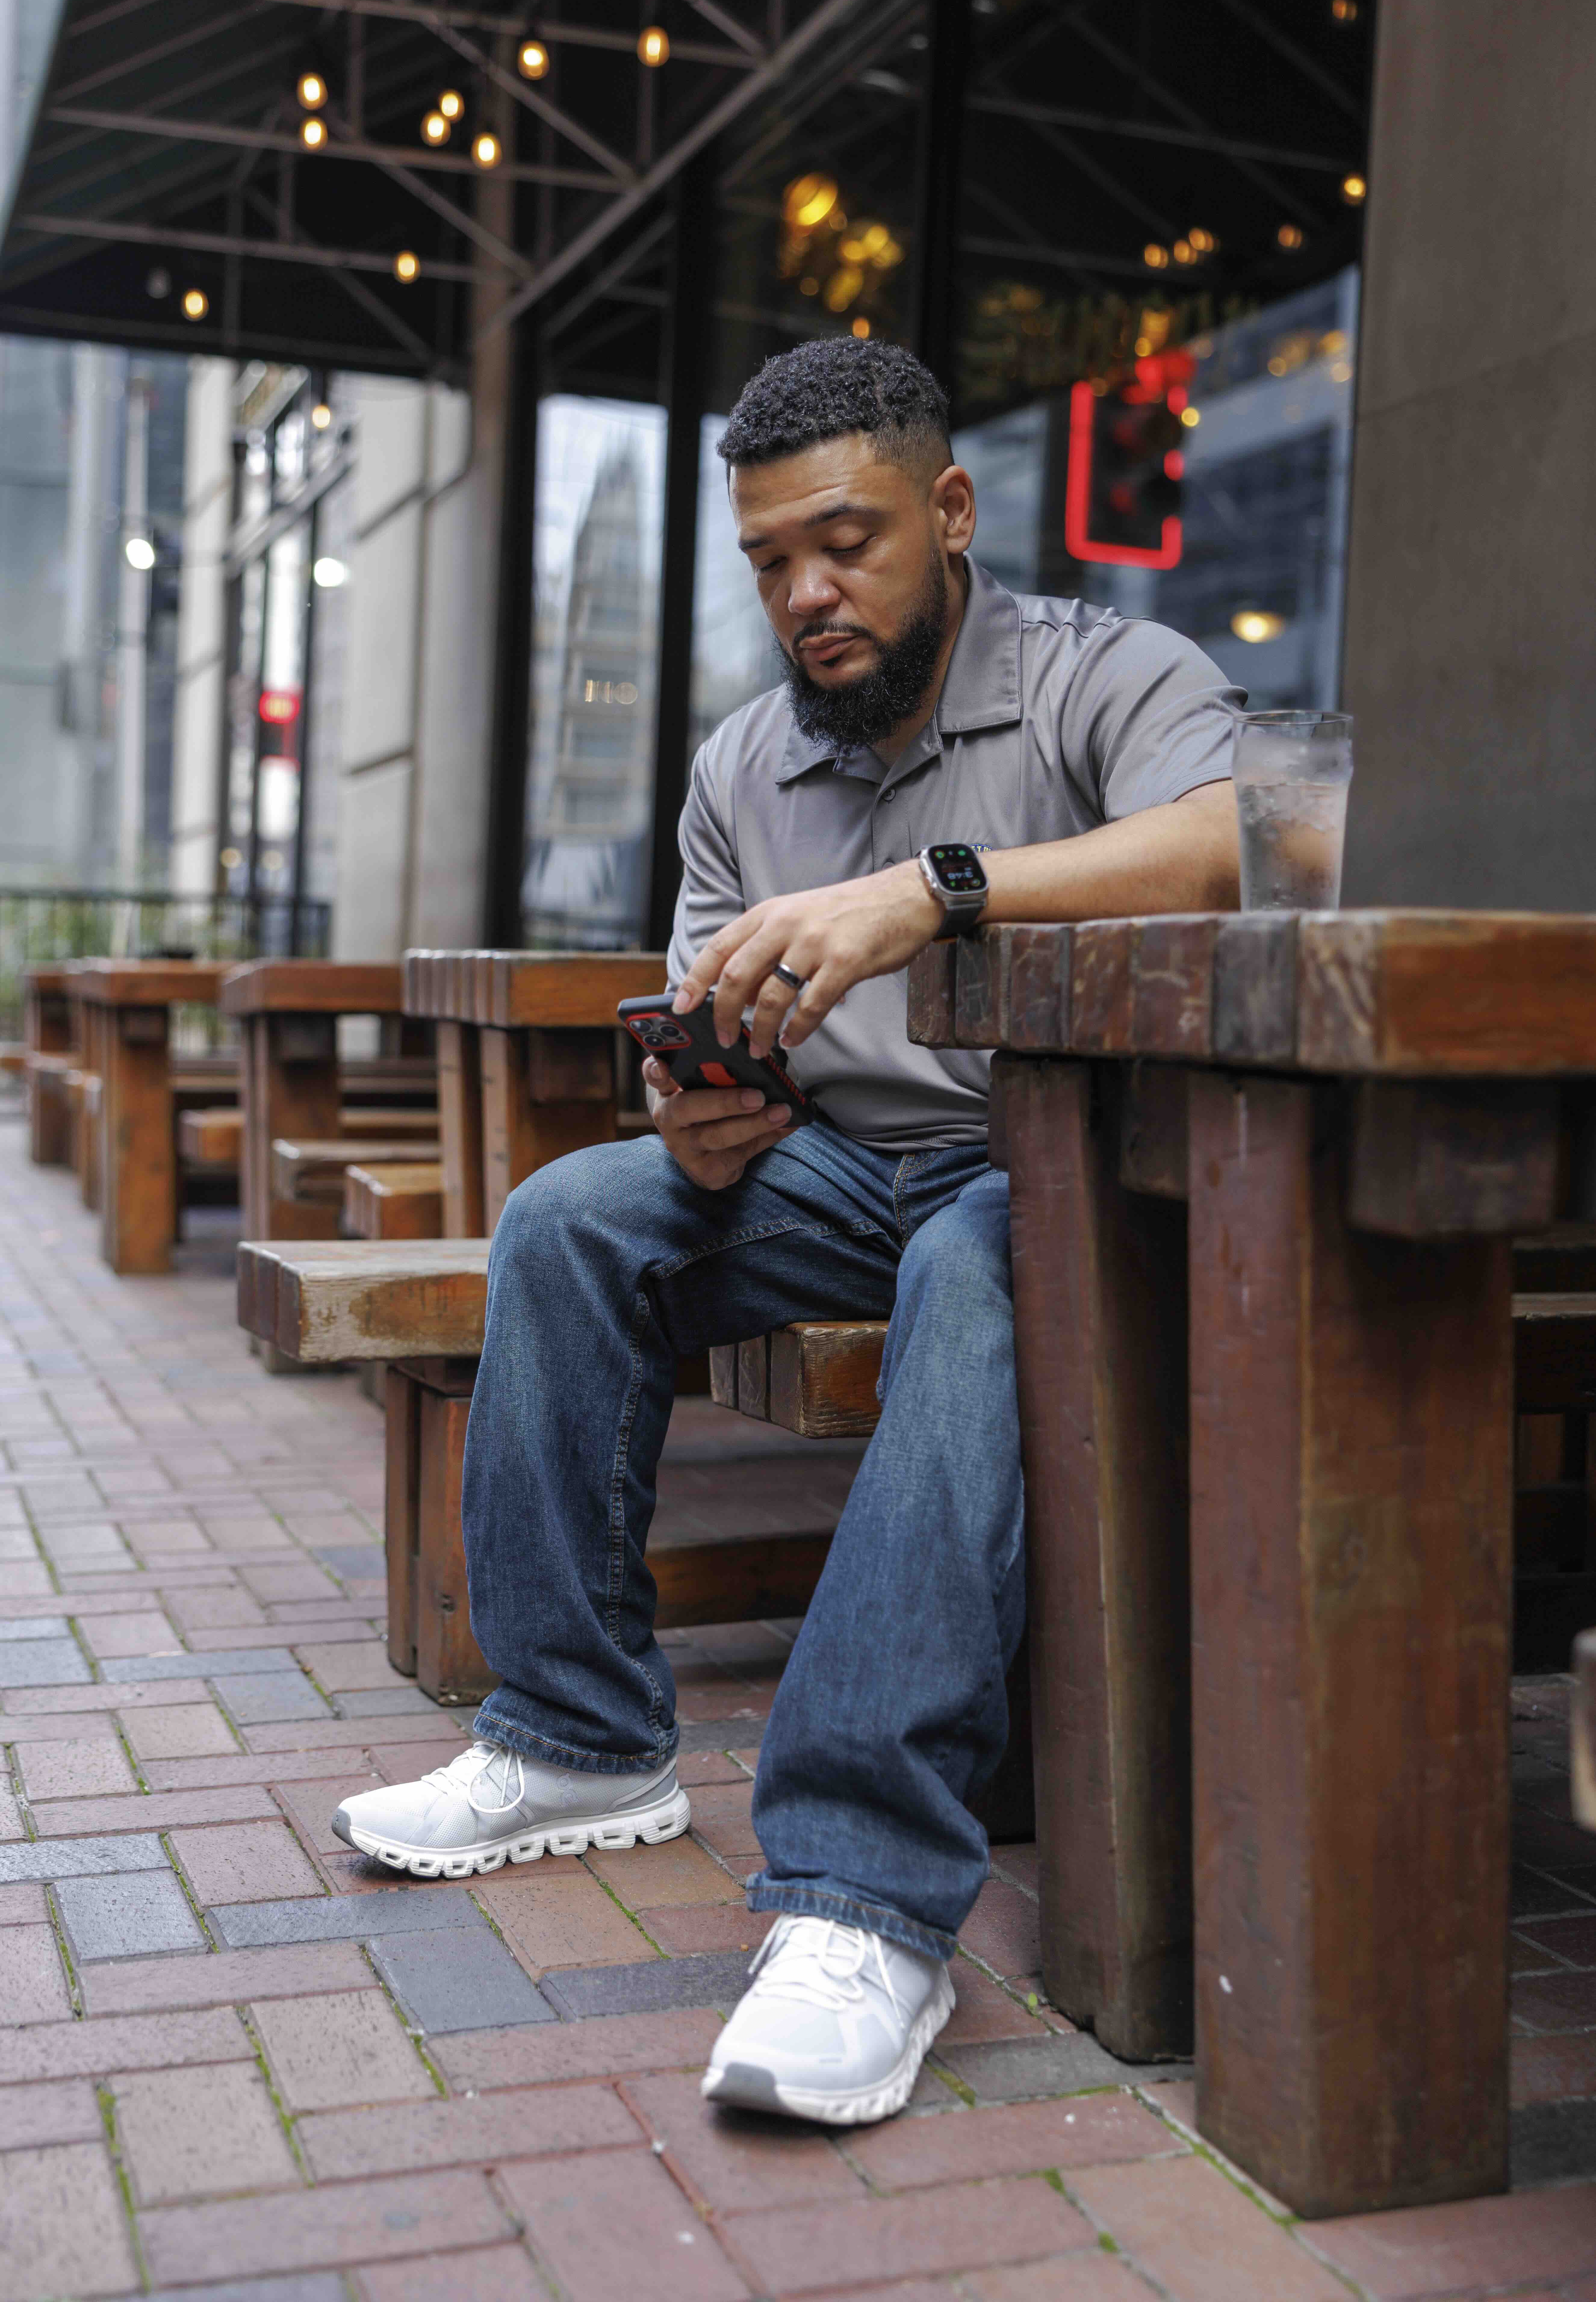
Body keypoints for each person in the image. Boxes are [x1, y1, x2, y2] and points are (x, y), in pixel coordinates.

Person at [334, 336, 1242, 2126]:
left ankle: (860, 1896)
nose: (805, 593)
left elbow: (1234, 845)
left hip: (1060, 1169)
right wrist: (696, 1100)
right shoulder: (743, 763)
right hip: (837, 1161)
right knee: (571, 1217)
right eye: (768, 561)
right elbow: (707, 1006)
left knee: (969, 1269)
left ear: (950, 512)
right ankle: (575, 1737)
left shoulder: (1105, 672)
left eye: (845, 542)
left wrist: (931, 896)